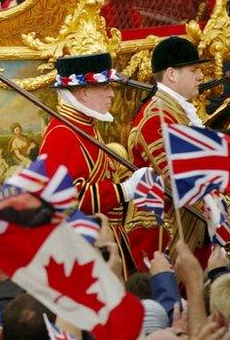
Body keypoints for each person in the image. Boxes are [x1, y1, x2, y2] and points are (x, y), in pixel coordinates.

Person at [128, 37, 230, 256]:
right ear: (172, 74)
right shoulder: (156, 118)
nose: (201, 76)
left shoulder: (174, 111)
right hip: (165, 235)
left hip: (190, 225)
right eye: (193, 70)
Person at [38, 51, 152, 272]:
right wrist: (123, 191)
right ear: (84, 92)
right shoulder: (62, 134)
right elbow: (64, 200)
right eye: (105, 87)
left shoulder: (83, 126)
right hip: (86, 248)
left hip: (104, 240)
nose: (112, 94)